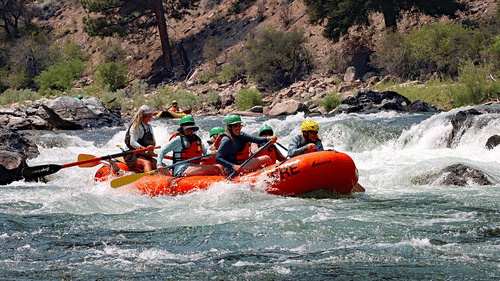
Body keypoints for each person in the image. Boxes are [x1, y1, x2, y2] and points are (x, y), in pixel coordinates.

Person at [124, 105, 157, 173]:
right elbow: (132, 142)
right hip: (131, 154)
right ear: (144, 116)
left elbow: (153, 141)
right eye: (150, 115)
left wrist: (151, 149)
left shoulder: (149, 126)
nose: (151, 117)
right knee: (147, 163)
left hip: (143, 153)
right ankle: (148, 180)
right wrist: (144, 149)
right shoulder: (135, 126)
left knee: (160, 164)